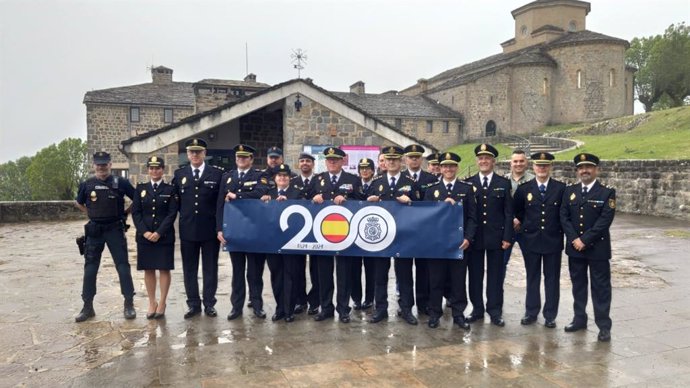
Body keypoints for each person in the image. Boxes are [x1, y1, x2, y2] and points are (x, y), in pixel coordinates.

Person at [74, 151, 137, 322]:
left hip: (115, 229)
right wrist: (92, 214)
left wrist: (125, 213)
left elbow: (137, 198)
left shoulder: (121, 182)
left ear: (110, 165)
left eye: (104, 164)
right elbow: (79, 202)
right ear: (93, 165)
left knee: (123, 267)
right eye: (98, 164)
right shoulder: (87, 184)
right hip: (95, 231)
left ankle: (129, 303)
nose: (101, 167)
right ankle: (87, 307)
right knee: (90, 269)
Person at [560, 153, 616, 342]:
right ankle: (579, 319)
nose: (584, 171)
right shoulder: (570, 191)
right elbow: (564, 217)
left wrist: (585, 240)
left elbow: (604, 221)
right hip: (575, 248)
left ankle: (603, 326)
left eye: (589, 167)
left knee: (601, 288)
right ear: (577, 171)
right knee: (578, 286)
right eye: (581, 168)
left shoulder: (606, 192)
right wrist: (575, 239)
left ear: (596, 170)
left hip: (597, 249)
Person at [366, 146, 420, 325]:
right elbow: (366, 209)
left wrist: (411, 202)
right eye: (388, 159)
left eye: (395, 159)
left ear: (401, 161)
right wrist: (371, 202)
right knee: (379, 275)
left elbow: (422, 207)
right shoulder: (376, 182)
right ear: (385, 161)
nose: (391, 162)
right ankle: (380, 309)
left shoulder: (410, 182)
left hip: (404, 236)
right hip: (382, 236)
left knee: (404, 275)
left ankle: (406, 309)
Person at [424, 152, 477, 329]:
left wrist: (468, 238)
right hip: (436, 245)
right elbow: (427, 218)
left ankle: (458, 313)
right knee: (436, 280)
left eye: (452, 166)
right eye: (445, 166)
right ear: (440, 168)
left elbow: (472, 217)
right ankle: (434, 314)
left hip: (459, 244)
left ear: (457, 168)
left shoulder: (466, 188)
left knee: (458, 280)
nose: (448, 169)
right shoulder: (432, 190)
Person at [310, 146, 363, 323]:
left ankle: (343, 309)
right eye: (329, 159)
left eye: (336, 159)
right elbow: (305, 200)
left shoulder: (353, 179)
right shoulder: (318, 179)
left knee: (344, 274)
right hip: (323, 235)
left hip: (345, 235)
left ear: (342, 161)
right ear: (325, 161)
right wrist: (314, 199)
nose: (332, 162)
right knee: (323, 274)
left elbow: (361, 202)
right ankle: (326, 308)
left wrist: (348, 200)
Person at [172, 138, 223, 319]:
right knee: (189, 269)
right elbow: (173, 203)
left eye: (198, 151)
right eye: (192, 152)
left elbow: (220, 204)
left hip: (209, 230)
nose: (195, 154)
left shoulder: (216, 174)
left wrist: (220, 228)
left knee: (210, 268)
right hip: (187, 230)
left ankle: (209, 303)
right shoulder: (179, 175)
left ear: (204, 154)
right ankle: (193, 304)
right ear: (187, 154)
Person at [217, 144, 269, 320]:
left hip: (254, 231)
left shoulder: (259, 176)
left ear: (251, 159)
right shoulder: (227, 177)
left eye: (245, 157)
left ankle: (257, 305)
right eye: (239, 157)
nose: (241, 159)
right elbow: (220, 205)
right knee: (237, 272)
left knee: (255, 272)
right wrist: (219, 229)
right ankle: (236, 307)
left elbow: (260, 192)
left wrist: (237, 196)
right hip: (235, 232)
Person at [513, 152, 565, 328]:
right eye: (539, 165)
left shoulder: (561, 188)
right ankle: (531, 312)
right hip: (531, 241)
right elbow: (518, 212)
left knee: (552, 279)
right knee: (532, 277)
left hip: (553, 240)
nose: (542, 168)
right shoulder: (524, 189)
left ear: (550, 167)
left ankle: (550, 315)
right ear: (533, 167)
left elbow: (565, 215)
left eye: (545, 165)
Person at [465, 144, 513, 327]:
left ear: (493, 161)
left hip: (497, 238)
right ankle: (477, 309)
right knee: (475, 275)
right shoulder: (469, 183)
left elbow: (508, 213)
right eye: (480, 158)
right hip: (475, 238)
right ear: (477, 161)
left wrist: (507, 237)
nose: (483, 161)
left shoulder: (503, 183)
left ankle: (494, 311)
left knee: (495, 276)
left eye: (487, 158)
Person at [131, 156, 179, 319]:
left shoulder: (170, 190)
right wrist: (144, 232)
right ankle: (152, 302)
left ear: (163, 170)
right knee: (149, 269)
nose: (154, 171)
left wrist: (159, 232)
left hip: (164, 236)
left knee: (164, 268)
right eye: (151, 168)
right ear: (148, 170)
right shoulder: (140, 188)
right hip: (144, 236)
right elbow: (136, 213)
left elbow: (172, 213)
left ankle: (163, 302)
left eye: (157, 168)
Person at [264, 164, 305, 322]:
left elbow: (302, 213)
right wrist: (265, 201)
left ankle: (289, 310)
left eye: (285, 176)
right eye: (279, 176)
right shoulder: (269, 193)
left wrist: (289, 202)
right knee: (276, 275)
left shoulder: (297, 193)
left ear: (289, 178)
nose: (282, 178)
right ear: (275, 179)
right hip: (272, 241)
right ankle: (279, 308)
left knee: (290, 276)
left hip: (291, 241)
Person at [402, 144, 438, 316]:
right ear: (406, 159)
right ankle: (406, 305)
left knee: (424, 270)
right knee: (404, 271)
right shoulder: (399, 178)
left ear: (422, 159)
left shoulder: (431, 179)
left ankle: (424, 304)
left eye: (417, 157)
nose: (414, 159)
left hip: (425, 233)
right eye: (411, 157)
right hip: (404, 233)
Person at [290, 152, 317, 315]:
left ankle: (314, 301)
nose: (305, 163)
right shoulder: (292, 182)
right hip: (297, 231)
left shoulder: (320, 180)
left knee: (316, 269)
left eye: (308, 161)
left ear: (313, 164)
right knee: (297, 268)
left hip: (316, 231)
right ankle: (300, 301)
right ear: (298, 164)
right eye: (302, 161)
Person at [502, 150, 535, 285]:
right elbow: (500, 205)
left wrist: (520, 219)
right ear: (511, 163)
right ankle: (497, 298)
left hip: (526, 229)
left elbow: (535, 207)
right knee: (501, 264)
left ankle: (532, 300)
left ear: (526, 162)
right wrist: (511, 219)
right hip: (507, 229)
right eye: (515, 161)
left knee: (532, 265)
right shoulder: (503, 180)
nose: (518, 164)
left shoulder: (533, 180)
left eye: (521, 161)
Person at [351, 158, 376, 311]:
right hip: (355, 233)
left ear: (373, 170)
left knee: (371, 269)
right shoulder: (353, 184)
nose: (364, 171)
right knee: (354, 269)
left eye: (368, 168)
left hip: (371, 232)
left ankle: (369, 298)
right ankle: (356, 299)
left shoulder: (378, 184)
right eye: (362, 168)